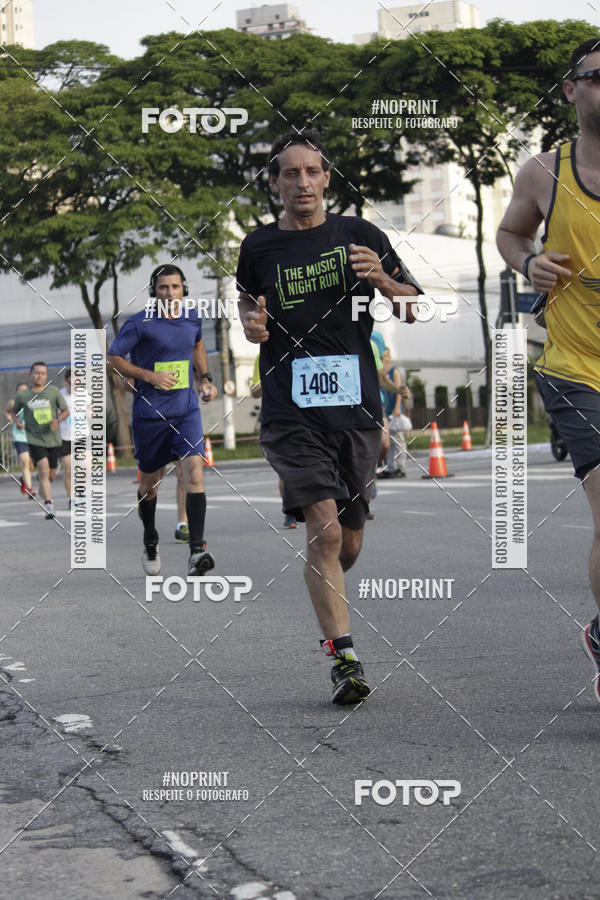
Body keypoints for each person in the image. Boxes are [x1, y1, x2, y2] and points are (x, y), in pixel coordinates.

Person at [237, 130, 421, 704]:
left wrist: (384, 281)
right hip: (290, 409)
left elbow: (413, 305)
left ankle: (330, 585)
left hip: (358, 409)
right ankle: (344, 659)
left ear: (326, 179)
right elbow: (248, 305)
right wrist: (251, 325)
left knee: (348, 543)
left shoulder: (358, 234)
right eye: (289, 174)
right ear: (274, 183)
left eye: (312, 172)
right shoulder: (259, 246)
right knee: (323, 528)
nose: (303, 183)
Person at [496, 37, 600, 700]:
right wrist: (526, 260)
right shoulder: (544, 172)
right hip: (575, 365)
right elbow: (510, 234)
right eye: (598, 77)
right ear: (571, 90)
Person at [107, 264, 217, 576]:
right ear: (154, 291)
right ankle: (150, 538)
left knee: (195, 471)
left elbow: (197, 344)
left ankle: (197, 551)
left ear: (184, 289)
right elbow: (114, 358)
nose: (169, 292)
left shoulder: (192, 318)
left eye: (175, 286)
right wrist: (149, 375)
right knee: (149, 485)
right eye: (163, 287)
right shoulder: (140, 323)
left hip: (185, 411)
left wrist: (204, 378)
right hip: (149, 415)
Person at [12, 362, 69, 519]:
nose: (39, 376)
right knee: (43, 470)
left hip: (54, 439)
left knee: (50, 475)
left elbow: (65, 411)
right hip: (35, 439)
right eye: (36, 373)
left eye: (43, 373)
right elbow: (14, 412)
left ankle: (42, 481)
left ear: (46, 375)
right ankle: (49, 504)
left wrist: (58, 419)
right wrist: (17, 422)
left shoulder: (53, 392)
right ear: (31, 375)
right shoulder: (23, 396)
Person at [251, 354, 298, 529]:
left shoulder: (301, 352)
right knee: (285, 469)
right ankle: (290, 512)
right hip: (277, 416)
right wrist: (271, 377)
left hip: (305, 415)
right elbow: (254, 391)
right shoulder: (262, 357)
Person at [380, 347, 410, 478]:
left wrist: (397, 407)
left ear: (390, 357)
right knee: (390, 442)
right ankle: (391, 467)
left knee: (398, 441)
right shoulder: (380, 373)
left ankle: (401, 468)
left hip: (393, 409)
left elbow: (398, 390)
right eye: (382, 356)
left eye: (387, 356)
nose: (384, 359)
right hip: (385, 409)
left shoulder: (394, 371)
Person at [4, 382, 35, 498]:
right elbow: (7, 411)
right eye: (20, 391)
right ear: (16, 393)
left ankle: (23, 478)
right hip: (19, 437)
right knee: (25, 461)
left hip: (32, 437)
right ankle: (30, 490)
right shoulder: (13, 403)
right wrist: (8, 416)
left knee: (30, 465)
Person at [59, 368, 73, 510]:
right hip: (65, 436)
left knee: (85, 469)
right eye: (70, 383)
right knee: (69, 469)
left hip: (82, 436)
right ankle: (71, 498)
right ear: (66, 381)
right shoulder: (59, 395)